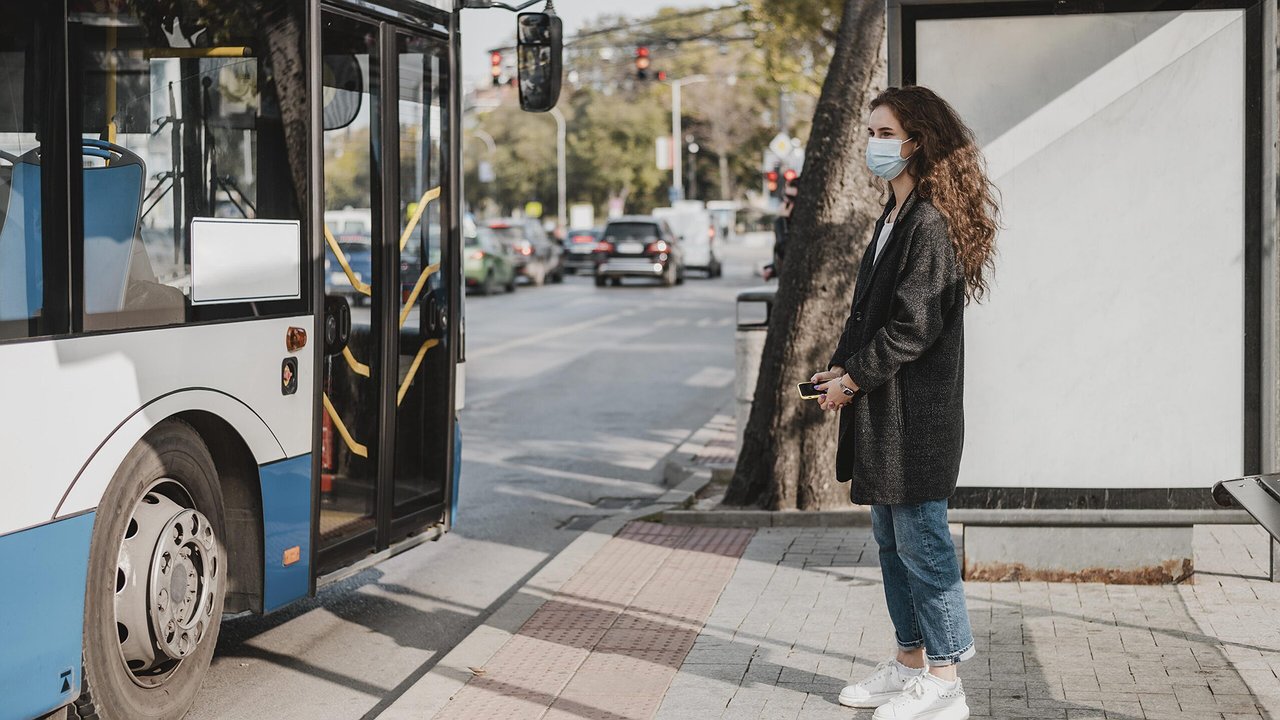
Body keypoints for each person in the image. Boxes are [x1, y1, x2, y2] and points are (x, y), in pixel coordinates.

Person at [811, 85, 998, 720]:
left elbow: (913, 327)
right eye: (870, 133)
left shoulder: (931, 221)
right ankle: (909, 664)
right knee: (893, 543)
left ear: (917, 140)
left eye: (883, 134)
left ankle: (946, 684)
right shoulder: (895, 214)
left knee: (924, 544)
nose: (873, 145)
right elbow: (870, 314)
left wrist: (854, 379)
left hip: (916, 419)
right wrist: (838, 369)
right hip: (884, 415)